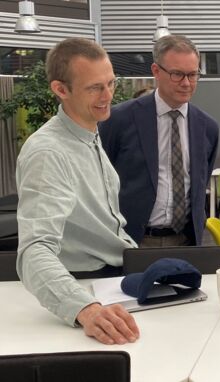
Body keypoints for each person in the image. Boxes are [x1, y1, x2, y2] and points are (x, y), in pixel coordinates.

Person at [15, 37, 139, 345]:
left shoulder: (89, 133)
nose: (108, 95)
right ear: (60, 89)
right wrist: (85, 309)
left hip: (115, 279)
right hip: (87, 290)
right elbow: (33, 252)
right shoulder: (48, 152)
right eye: (95, 88)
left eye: (111, 83)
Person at [99, 35, 219, 247]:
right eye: (177, 74)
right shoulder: (118, 120)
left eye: (192, 75)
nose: (186, 83)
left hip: (187, 242)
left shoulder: (208, 128)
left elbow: (200, 182)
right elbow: (100, 180)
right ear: (156, 71)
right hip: (133, 242)